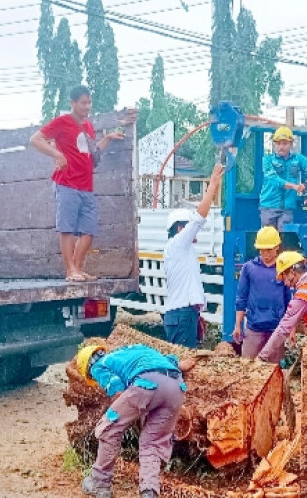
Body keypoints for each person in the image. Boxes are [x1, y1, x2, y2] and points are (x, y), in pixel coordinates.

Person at [30, 85, 130, 283]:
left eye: (89, 102)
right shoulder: (62, 122)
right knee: (67, 229)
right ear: (73, 103)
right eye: (83, 103)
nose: (87, 106)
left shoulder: (88, 126)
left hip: (86, 186)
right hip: (66, 183)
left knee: (88, 230)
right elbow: (35, 139)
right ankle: (70, 271)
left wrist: (108, 138)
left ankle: (77, 268)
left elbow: (92, 153)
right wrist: (57, 154)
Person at [76, 343, 196, 498]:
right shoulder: (133, 350)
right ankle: (149, 491)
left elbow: (118, 391)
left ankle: (99, 483)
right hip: (176, 387)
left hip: (146, 385)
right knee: (151, 442)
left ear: (89, 366)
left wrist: (126, 415)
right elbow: (171, 362)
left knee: (109, 428)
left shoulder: (99, 364)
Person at [163, 164, 225, 348]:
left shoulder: (182, 249)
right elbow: (199, 217)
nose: (195, 231)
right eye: (189, 226)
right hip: (181, 315)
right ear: (180, 228)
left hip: (184, 314)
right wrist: (213, 185)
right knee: (184, 365)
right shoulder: (177, 244)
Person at [233, 226, 292, 358]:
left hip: (276, 330)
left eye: (269, 250)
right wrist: (237, 325)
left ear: (277, 247)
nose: (265, 254)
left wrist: (291, 329)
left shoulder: (284, 269)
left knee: (273, 372)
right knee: (248, 368)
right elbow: (241, 298)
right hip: (254, 328)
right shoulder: (249, 268)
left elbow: (290, 301)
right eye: (262, 250)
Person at [259, 126, 307, 230]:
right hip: (268, 207)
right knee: (268, 239)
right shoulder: (267, 160)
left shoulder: (298, 159)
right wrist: (294, 187)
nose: (281, 147)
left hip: (287, 209)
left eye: (285, 143)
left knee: (286, 238)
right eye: (278, 143)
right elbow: (274, 179)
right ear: (274, 145)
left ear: (291, 144)